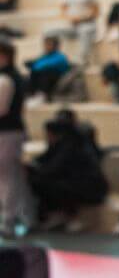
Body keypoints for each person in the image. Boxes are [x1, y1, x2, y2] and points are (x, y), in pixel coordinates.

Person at [26, 107, 107, 230]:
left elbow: (54, 169)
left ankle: (62, 215)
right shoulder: (61, 144)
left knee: (44, 183)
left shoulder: (72, 145)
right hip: (80, 185)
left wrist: (34, 170)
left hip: (89, 189)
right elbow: (43, 159)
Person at [0, 38, 33, 237]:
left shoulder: (6, 79)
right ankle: (24, 216)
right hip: (11, 132)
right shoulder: (13, 77)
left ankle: (9, 220)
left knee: (7, 178)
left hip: (7, 133)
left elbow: (1, 109)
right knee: (14, 177)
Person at [59, 0, 99, 65]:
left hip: (87, 24)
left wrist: (80, 19)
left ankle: (82, 61)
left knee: (85, 31)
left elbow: (96, 12)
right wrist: (70, 18)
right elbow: (62, 11)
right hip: (71, 25)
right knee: (50, 32)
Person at [26, 33, 74, 100]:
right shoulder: (44, 56)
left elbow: (44, 66)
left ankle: (42, 95)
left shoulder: (60, 57)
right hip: (42, 77)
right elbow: (36, 65)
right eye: (45, 44)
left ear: (55, 46)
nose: (46, 46)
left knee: (45, 73)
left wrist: (34, 65)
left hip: (58, 80)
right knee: (33, 73)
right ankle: (31, 94)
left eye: (49, 44)